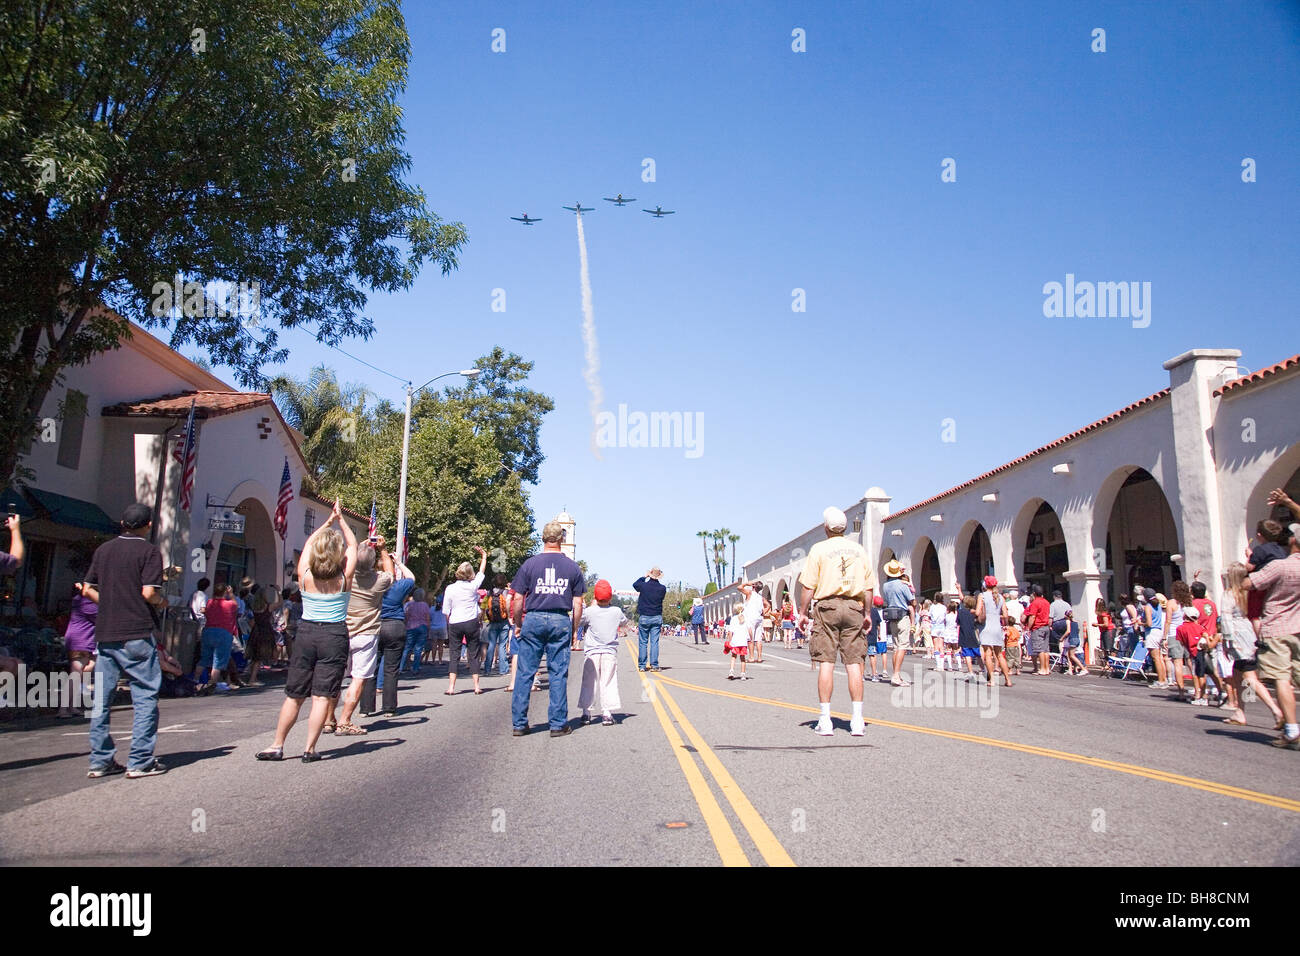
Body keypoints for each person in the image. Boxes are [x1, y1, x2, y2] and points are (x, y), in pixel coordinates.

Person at [257, 501, 358, 761]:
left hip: (307, 634)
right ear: (338, 555)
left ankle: (277, 745)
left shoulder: (304, 575)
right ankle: (309, 749)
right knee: (321, 696)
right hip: (334, 635)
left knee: (294, 695)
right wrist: (342, 520)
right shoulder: (343, 579)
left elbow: (310, 545)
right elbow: (354, 547)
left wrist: (326, 523)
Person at [77, 503, 168, 778]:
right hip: (137, 630)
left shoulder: (104, 550)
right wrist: (162, 602)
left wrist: (109, 604)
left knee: (101, 700)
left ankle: (100, 760)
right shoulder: (149, 551)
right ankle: (140, 760)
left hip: (106, 632)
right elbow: (149, 592)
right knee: (144, 696)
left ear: (121, 522)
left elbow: (86, 588)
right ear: (148, 525)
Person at [796, 506, 874, 737]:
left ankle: (825, 720)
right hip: (853, 606)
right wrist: (867, 612)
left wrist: (802, 612)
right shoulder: (859, 550)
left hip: (827, 606)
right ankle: (857, 721)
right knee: (854, 664)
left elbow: (808, 585)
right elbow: (868, 587)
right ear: (845, 528)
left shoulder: (819, 549)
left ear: (826, 528)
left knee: (826, 662)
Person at [510, 521, 585, 736]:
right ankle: (558, 724)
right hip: (560, 618)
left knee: (525, 673)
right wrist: (574, 629)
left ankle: (519, 724)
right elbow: (578, 603)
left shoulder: (529, 565)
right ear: (561, 539)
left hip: (532, 618)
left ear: (543, 538)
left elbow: (516, 598)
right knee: (558, 673)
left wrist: (518, 623)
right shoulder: (572, 567)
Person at [1246, 523, 1300, 749]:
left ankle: (1292, 730)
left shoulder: (1280, 566)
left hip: (1277, 628)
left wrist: (1243, 569)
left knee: (1282, 679)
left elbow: (1248, 583)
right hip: (1298, 627)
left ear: (1293, 541)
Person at [334, 534, 394, 734]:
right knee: (359, 678)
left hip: (342, 631)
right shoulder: (379, 581)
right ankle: (345, 719)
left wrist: (357, 547)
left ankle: (327, 719)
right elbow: (391, 573)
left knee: (334, 677)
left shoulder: (344, 579)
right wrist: (383, 550)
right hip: (366, 633)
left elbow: (344, 561)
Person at [1220, 562, 1283, 727]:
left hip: (1238, 636)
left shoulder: (1229, 594)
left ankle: (1276, 711)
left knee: (1249, 676)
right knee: (1237, 672)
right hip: (1250, 634)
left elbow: (1226, 619)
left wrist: (1226, 641)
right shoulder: (1250, 594)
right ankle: (1240, 711)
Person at [366, 560, 416, 717]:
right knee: (391, 669)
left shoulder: (369, 586)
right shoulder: (398, 587)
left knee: (370, 668)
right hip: (394, 625)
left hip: (373, 625)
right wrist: (399, 563)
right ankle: (388, 707)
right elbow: (411, 578)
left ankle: (365, 707)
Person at [579, 579, 625, 724]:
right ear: (610, 596)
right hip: (609, 652)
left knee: (589, 682)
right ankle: (607, 713)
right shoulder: (616, 611)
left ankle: (586, 713)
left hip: (592, 652)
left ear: (595, 597)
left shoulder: (590, 611)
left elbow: (579, 620)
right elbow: (624, 621)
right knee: (608, 681)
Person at [443, 546, 488, 695]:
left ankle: (451, 687)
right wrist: (484, 556)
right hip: (471, 622)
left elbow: (446, 610)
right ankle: (476, 686)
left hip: (455, 622)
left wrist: (449, 622)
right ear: (470, 574)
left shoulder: (450, 588)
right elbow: (482, 572)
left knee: (454, 654)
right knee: (473, 653)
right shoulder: (473, 586)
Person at [58, 581, 97, 718]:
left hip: (83, 639)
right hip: (80, 640)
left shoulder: (80, 600)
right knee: (76, 674)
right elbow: (102, 616)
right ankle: (63, 709)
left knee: (82, 672)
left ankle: (71, 706)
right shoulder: (86, 602)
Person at [195, 584, 239, 694]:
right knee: (218, 662)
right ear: (225, 592)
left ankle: (194, 681)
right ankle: (212, 684)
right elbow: (236, 605)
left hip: (208, 631)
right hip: (223, 633)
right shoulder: (229, 604)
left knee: (204, 659)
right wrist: (231, 594)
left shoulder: (210, 602)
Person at [880, 561, 914, 686]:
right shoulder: (902, 585)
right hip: (902, 616)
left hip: (892, 616)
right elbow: (912, 601)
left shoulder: (886, 585)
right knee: (903, 646)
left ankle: (896, 674)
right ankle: (896, 675)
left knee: (896, 647)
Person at [975, 575, 1013, 687]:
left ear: (985, 585)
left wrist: (974, 612)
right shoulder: (1000, 597)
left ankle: (991, 680)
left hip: (986, 627)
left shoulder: (982, 596)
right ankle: (1008, 679)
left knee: (988, 654)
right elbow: (1005, 614)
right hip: (997, 627)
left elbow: (978, 612)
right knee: (999, 654)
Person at [633, 567, 667, 672]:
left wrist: (644, 576)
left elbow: (635, 585)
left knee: (643, 642)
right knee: (654, 642)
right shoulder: (662, 588)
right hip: (656, 616)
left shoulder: (643, 586)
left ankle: (642, 665)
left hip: (644, 616)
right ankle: (654, 665)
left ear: (650, 574)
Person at [245, 584, 279, 687]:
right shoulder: (267, 607)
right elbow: (279, 603)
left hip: (256, 631)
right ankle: (252, 679)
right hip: (265, 631)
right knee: (259, 657)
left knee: (255, 655)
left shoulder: (255, 607)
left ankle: (252, 677)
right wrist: (278, 591)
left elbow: (252, 621)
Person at [482, 574, 513, 676]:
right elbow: (508, 605)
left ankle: (487, 669)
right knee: (502, 645)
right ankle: (503, 669)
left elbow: (485, 606)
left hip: (492, 621)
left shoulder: (489, 593)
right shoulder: (506, 592)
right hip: (504, 621)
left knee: (491, 644)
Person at [401, 587, 431, 675]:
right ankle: (415, 667)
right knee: (419, 648)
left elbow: (405, 616)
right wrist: (428, 628)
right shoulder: (424, 605)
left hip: (410, 627)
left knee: (407, 648)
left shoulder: (409, 604)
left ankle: (401, 667)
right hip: (422, 627)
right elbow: (427, 618)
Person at [1024, 585, 1052, 676]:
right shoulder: (1047, 602)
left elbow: (1032, 616)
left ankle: (1042, 668)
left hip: (1038, 627)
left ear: (1034, 593)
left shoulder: (1035, 603)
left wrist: (1029, 627)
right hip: (1046, 626)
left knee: (1039, 650)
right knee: (1045, 649)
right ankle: (1047, 668)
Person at [725, 602, 749, 680]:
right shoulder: (745, 618)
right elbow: (749, 629)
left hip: (735, 641)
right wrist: (751, 638)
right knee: (743, 658)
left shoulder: (733, 619)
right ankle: (743, 674)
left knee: (733, 656)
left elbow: (730, 631)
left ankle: (731, 671)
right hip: (743, 642)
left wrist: (730, 640)